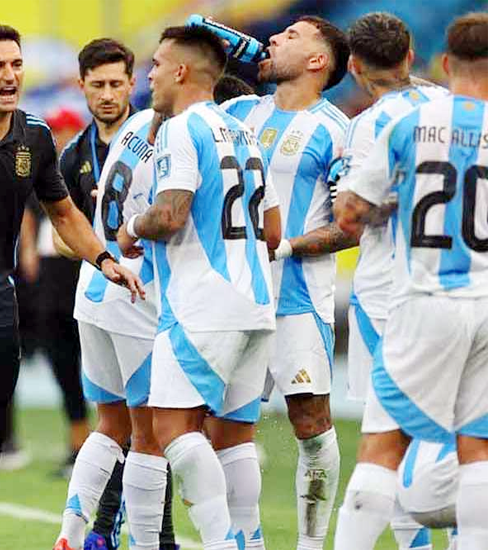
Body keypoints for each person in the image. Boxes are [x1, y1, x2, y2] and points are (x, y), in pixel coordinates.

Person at [0, 24, 143, 550]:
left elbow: (64, 212)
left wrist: (104, 259)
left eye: (15, 64)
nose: (10, 75)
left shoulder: (34, 136)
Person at [117, 25, 282, 550]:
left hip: (202, 304)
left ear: (182, 70)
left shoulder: (181, 129)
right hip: (256, 303)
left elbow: (169, 214)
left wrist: (131, 227)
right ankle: (249, 542)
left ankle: (221, 544)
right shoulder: (244, 133)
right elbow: (273, 231)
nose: (150, 75)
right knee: (234, 439)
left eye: (157, 65)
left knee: (172, 431)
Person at [333, 12, 488, 549]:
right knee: (477, 450)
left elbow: (349, 214)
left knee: (383, 446)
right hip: (486, 303)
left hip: (425, 299)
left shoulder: (408, 125)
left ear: (445, 63)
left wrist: (399, 203)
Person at [220, 17, 351, 549]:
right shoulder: (237, 113)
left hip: (297, 298)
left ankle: (310, 544)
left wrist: (287, 246)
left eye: (292, 36)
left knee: (311, 424)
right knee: (224, 430)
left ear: (319, 61)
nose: (274, 38)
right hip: (233, 296)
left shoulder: (337, 131)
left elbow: (350, 226)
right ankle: (243, 541)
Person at [53, 38, 177, 550]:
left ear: (132, 83)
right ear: (82, 85)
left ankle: (78, 532)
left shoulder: (129, 137)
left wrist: (95, 250)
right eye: (97, 85)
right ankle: (150, 540)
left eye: (116, 83)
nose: (107, 94)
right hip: (132, 292)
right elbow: (61, 235)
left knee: (111, 424)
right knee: (154, 430)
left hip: (95, 292)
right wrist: (107, 248)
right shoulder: (155, 134)